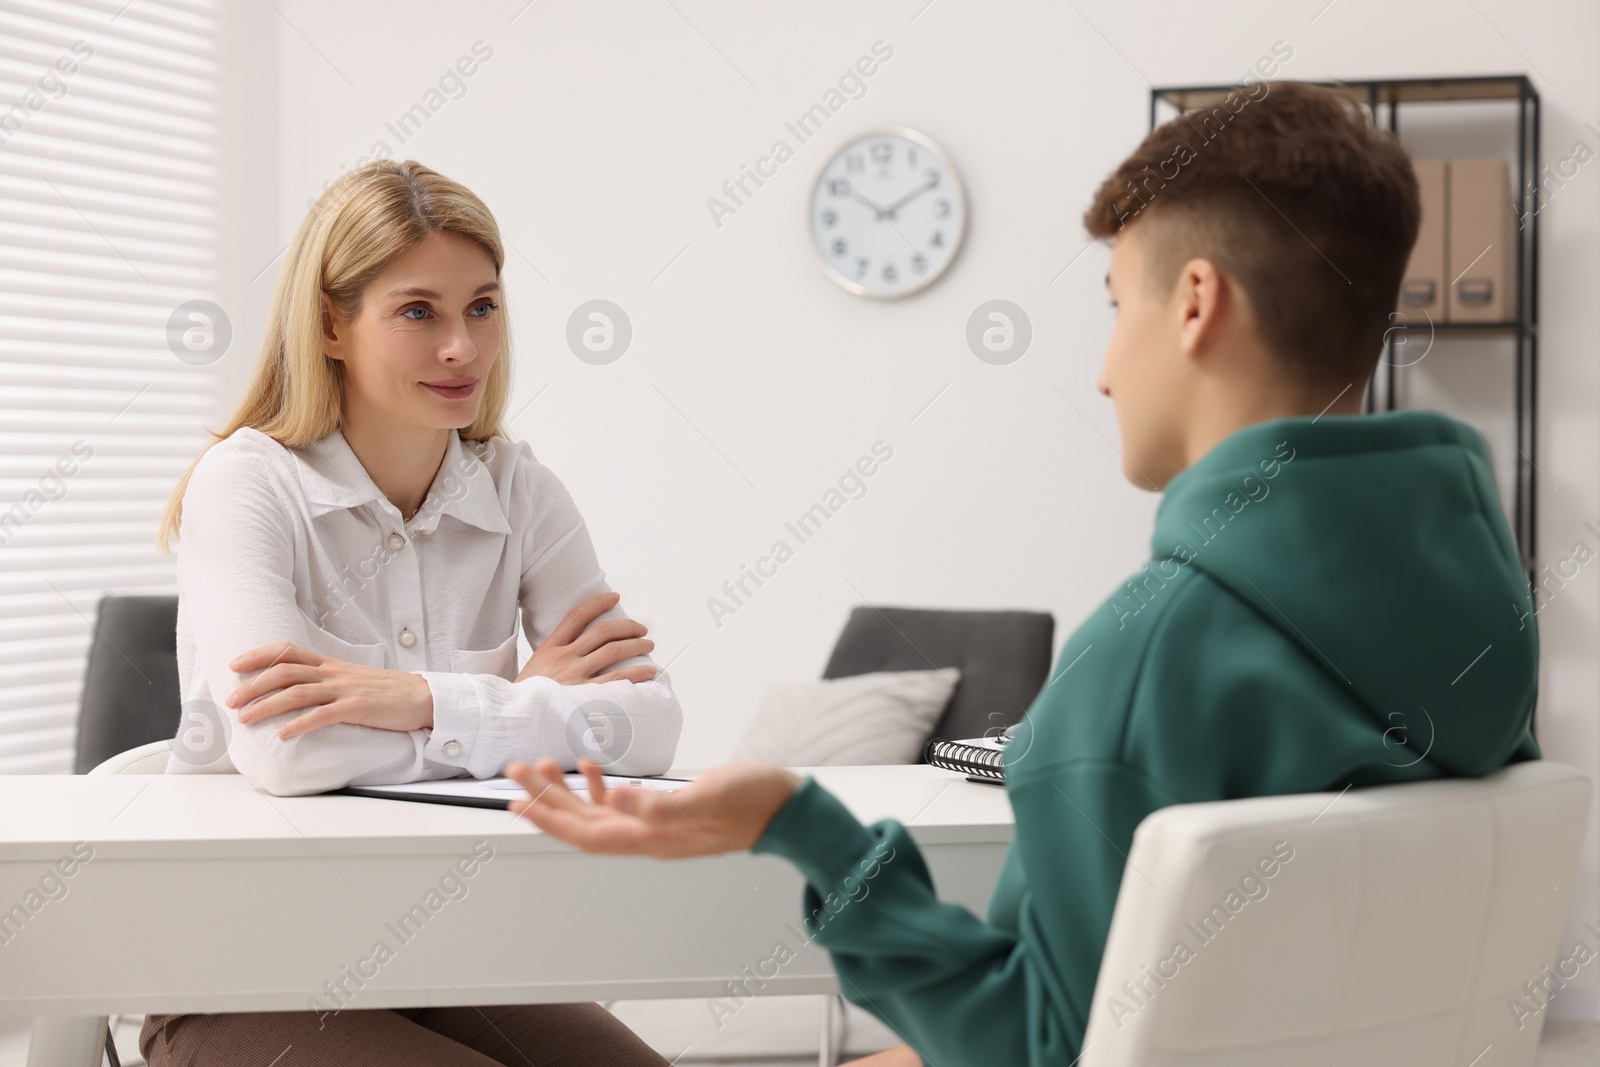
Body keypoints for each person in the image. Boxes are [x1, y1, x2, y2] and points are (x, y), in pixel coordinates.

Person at [503, 80, 1541, 1066]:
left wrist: (803, 824)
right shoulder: (1483, 623)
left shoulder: (1140, 664)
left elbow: (1036, 1047)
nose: (1100, 370)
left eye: (1112, 301)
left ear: (1193, 302)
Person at [145, 160, 680, 1066]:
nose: (463, 347)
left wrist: (414, 699)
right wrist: (510, 703)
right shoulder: (246, 485)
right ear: (330, 323)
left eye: (483, 306)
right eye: (418, 311)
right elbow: (289, 750)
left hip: (453, 961)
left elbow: (649, 726)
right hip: (234, 965)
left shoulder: (520, 487)